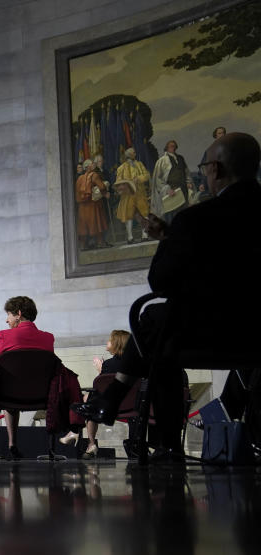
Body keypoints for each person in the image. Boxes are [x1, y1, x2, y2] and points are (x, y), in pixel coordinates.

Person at [75, 132, 261, 461]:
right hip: (256, 328)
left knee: (156, 325)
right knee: (159, 326)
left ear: (216, 169)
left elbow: (160, 281)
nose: (204, 173)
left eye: (204, 167)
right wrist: (173, 236)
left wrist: (167, 240)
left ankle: (165, 442)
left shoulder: (196, 218)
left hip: (208, 333)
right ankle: (113, 398)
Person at [0, 296, 55, 459]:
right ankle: (12, 445)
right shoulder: (48, 338)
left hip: (11, 394)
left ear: (18, 313)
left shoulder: (6, 336)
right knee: (8, 386)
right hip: (40, 396)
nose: (6, 320)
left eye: (8, 314)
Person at [59, 329, 130, 459]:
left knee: (88, 399)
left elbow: (101, 387)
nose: (107, 341)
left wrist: (101, 370)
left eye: (110, 339)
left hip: (112, 407)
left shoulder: (109, 364)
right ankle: (84, 439)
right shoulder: (133, 364)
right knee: (89, 399)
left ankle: (82, 436)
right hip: (132, 406)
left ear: (117, 343)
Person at [114, 147, 151, 243]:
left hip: (140, 193)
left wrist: (138, 179)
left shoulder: (140, 164)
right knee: (128, 215)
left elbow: (146, 175)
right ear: (129, 154)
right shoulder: (121, 168)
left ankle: (145, 235)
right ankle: (130, 237)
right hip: (127, 195)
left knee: (144, 213)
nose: (135, 153)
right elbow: (118, 181)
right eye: (133, 152)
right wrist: (126, 184)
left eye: (134, 152)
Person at [150, 140, 190, 225]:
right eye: (171, 146)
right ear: (167, 148)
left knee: (183, 211)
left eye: (174, 146)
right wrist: (167, 189)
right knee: (171, 213)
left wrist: (188, 182)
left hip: (183, 189)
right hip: (171, 190)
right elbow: (158, 179)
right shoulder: (162, 161)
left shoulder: (180, 158)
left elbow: (186, 172)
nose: (173, 148)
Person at [76, 158, 109, 250]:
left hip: (82, 206)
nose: (93, 165)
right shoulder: (94, 175)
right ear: (88, 167)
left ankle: (83, 245)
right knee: (97, 223)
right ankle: (100, 242)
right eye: (92, 164)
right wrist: (105, 192)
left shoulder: (79, 178)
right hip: (92, 204)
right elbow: (101, 187)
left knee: (83, 225)